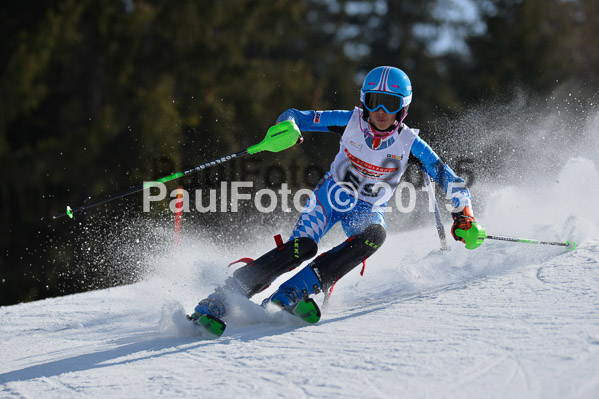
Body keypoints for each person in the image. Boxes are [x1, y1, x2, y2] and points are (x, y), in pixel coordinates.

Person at [189, 66, 483, 323]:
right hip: (330, 199)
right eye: (374, 101)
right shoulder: (350, 120)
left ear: (402, 109)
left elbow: (450, 178)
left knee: (375, 236)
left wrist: (464, 214)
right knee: (302, 247)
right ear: (364, 101)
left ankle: (291, 293)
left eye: (390, 104)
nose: (381, 111)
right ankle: (221, 298)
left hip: (366, 209)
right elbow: (296, 116)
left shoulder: (410, 142)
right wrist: (286, 127)